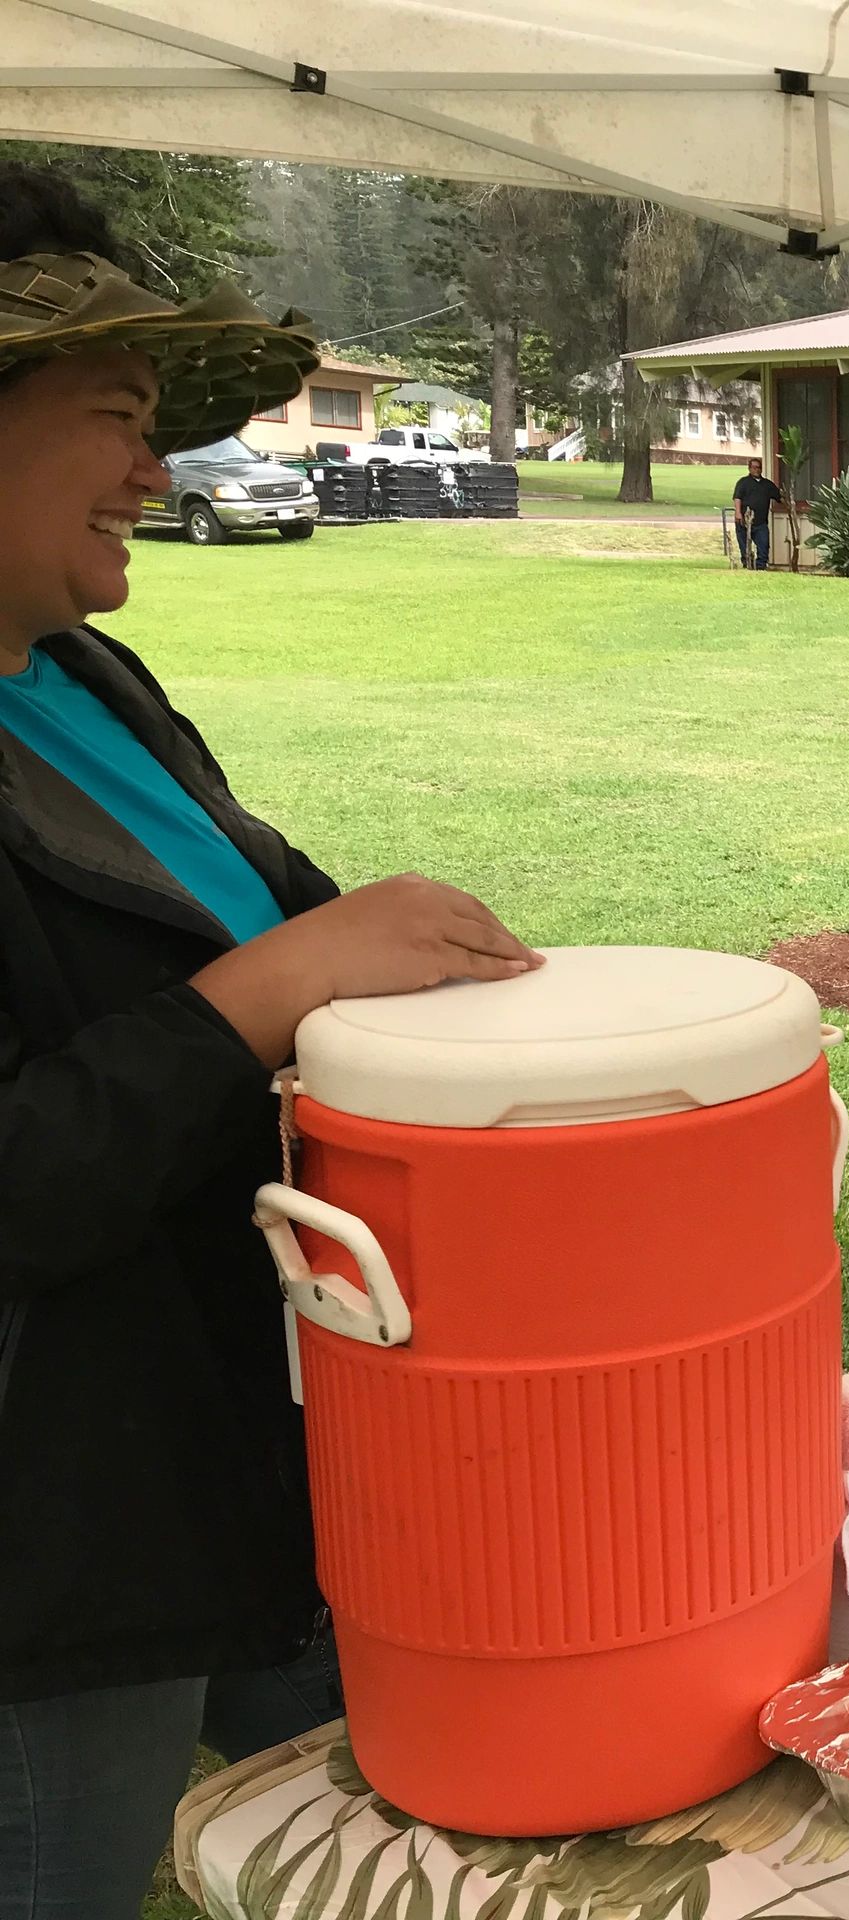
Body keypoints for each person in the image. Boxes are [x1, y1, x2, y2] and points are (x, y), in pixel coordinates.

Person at [0, 167, 540, 1920]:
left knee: (409, 1809)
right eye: (115, 419)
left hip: (248, 1440)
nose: (156, 473)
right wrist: (273, 985)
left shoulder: (76, 675)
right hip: (57, 1547)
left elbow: (260, 905)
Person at [732, 456, 783, 569]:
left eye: (759, 467)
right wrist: (738, 513)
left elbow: (780, 498)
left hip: (761, 522)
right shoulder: (743, 482)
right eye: (754, 467)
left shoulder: (767, 485)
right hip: (744, 521)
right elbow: (737, 498)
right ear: (749, 468)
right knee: (744, 545)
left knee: (763, 545)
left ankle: (761, 566)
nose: (757, 470)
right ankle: (747, 564)